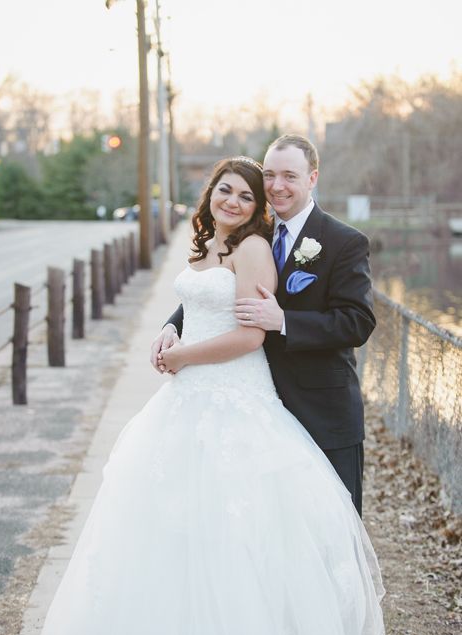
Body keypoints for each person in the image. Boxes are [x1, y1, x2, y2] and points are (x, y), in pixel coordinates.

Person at [38, 157, 385, 635]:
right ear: (211, 194)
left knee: (248, 525)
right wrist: (169, 328)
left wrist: (187, 355)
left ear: (308, 180)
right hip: (189, 395)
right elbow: (202, 300)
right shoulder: (206, 245)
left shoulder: (268, 246)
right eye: (229, 190)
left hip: (252, 392)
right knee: (176, 520)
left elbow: (257, 333)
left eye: (250, 195)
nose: (238, 200)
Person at [152, 134, 375, 514]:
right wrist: (173, 324)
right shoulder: (253, 233)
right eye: (270, 175)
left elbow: (358, 321)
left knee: (330, 525)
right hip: (256, 402)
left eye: (290, 175)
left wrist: (285, 320)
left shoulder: (343, 241)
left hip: (320, 407)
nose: (277, 185)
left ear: (312, 177)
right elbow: (218, 292)